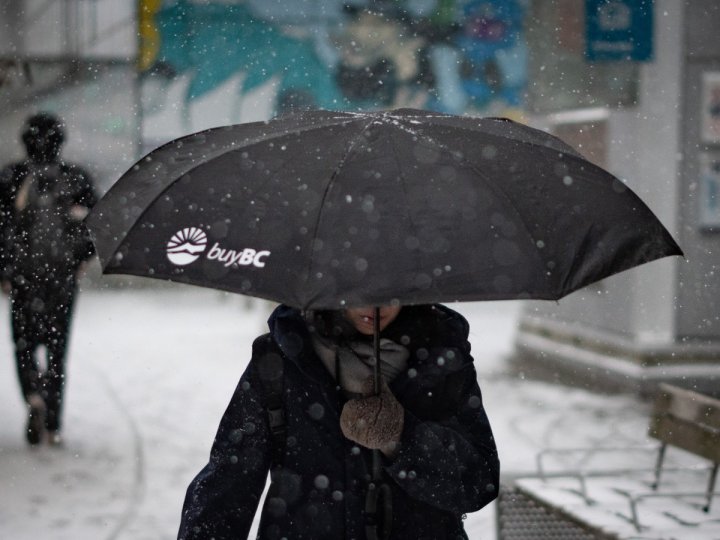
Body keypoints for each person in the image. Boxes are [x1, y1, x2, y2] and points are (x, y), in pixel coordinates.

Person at [178, 302, 499, 539]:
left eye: (389, 288)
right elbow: (228, 486)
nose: (376, 302)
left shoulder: (441, 358)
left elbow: (478, 483)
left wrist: (403, 437)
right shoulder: (281, 358)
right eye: (359, 286)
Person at [0, 112, 97, 446]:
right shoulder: (76, 178)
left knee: (23, 344)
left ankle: (33, 395)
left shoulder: (11, 176)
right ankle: (53, 423)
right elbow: (96, 225)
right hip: (61, 277)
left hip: (23, 279)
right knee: (57, 349)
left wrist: (4, 271)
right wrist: (82, 259)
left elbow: (0, 228)